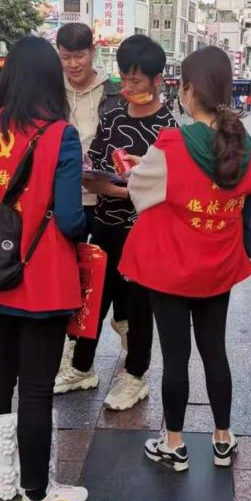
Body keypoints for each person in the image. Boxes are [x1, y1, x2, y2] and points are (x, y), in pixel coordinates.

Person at [0, 35, 88, 501]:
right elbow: (71, 220)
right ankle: (37, 494)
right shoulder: (59, 135)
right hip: (41, 281)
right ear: (51, 81)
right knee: (35, 387)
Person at [120, 46, 251, 472]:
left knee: (175, 357)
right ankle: (222, 439)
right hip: (219, 267)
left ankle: (175, 444)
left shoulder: (173, 143)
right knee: (215, 351)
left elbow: (141, 191)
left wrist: (139, 168)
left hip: (173, 270)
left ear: (189, 90)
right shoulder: (244, 144)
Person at [54, 34, 176, 410]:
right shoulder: (112, 118)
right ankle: (81, 367)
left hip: (144, 231)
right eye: (124, 80)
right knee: (92, 298)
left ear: (158, 80)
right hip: (105, 224)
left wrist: (117, 190)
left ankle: (135, 376)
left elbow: (169, 189)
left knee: (138, 306)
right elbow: (94, 158)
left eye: (136, 81)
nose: (128, 88)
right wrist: (89, 175)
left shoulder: (168, 129)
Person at [56, 22, 125, 362]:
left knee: (105, 275)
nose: (73, 64)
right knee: (68, 274)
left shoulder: (113, 93)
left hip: (103, 200)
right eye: (66, 57)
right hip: (65, 200)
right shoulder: (52, 92)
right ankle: (72, 344)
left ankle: (121, 324)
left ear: (92, 52)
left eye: (79, 56)